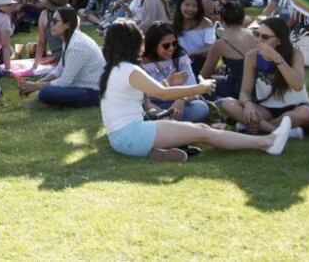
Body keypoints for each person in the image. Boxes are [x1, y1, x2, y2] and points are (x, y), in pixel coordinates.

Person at [100, 19, 291, 163]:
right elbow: (162, 94)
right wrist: (202, 87)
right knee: (202, 132)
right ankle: (267, 142)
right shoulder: (128, 69)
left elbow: (150, 92)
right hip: (132, 135)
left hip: (121, 139)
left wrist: (168, 82)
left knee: (203, 130)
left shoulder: (114, 69)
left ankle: (157, 152)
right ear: (132, 43)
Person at [219, 18, 309, 134]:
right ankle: (280, 132)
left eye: (265, 37)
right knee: (228, 103)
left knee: (306, 113)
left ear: (279, 40)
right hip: (266, 109)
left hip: (295, 107)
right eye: (257, 35)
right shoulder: (252, 56)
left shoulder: (294, 54)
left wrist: (276, 57)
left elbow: (297, 85)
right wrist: (248, 104)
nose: (259, 40)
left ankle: (255, 126)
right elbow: (245, 92)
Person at [18, 6, 104, 107]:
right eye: (51, 21)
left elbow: (65, 81)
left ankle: (49, 102)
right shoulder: (68, 38)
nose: (51, 24)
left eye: (55, 21)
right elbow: (60, 69)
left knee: (45, 92)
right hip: (79, 83)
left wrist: (36, 86)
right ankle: (49, 98)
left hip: (92, 92)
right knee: (44, 78)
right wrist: (37, 83)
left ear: (67, 25)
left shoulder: (76, 45)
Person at [139, 23, 209, 123]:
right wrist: (167, 83)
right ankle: (170, 124)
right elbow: (141, 95)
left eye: (174, 43)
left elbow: (193, 86)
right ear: (154, 45)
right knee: (142, 112)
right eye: (166, 45)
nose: (171, 48)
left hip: (178, 103)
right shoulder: (142, 63)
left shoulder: (180, 58)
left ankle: (166, 124)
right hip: (152, 105)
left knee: (200, 108)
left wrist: (181, 100)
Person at [199, 1, 257, 98]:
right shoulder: (253, 35)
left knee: (203, 83)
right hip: (258, 86)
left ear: (221, 19)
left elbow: (204, 75)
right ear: (243, 18)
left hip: (239, 88)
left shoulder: (221, 44)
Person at [173, 0, 216, 74]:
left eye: (194, 6)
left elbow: (211, 47)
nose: (190, 9)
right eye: (187, 5)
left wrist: (192, 54)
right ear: (180, 6)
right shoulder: (173, 25)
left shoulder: (206, 23)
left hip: (200, 64)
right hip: (179, 64)